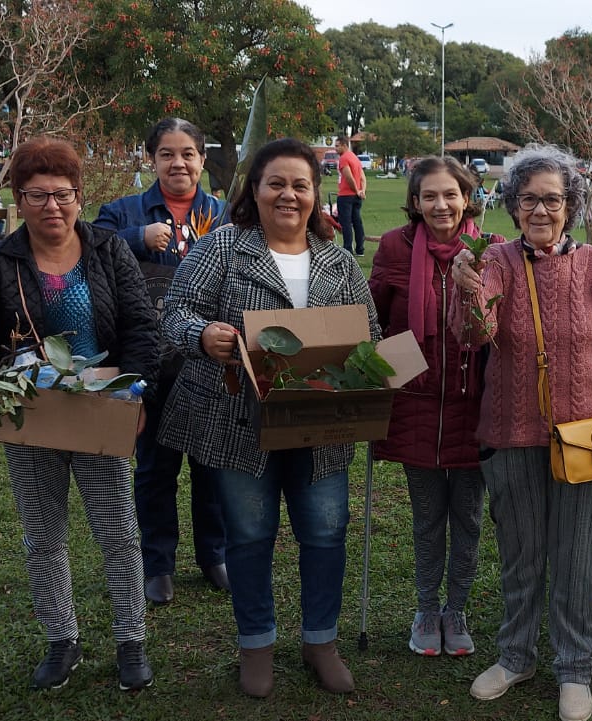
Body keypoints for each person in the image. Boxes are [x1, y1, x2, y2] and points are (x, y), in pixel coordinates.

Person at [0, 136, 158, 693]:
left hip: (100, 409)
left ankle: (130, 638)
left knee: (117, 530)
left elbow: (140, 328)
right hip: (29, 414)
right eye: (37, 195)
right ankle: (62, 638)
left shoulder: (109, 251)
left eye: (62, 195)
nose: (52, 207)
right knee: (43, 533)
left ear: (79, 196)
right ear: (18, 198)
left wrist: (135, 391)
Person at [158, 137, 373, 698]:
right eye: (275, 182)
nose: (288, 194)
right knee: (250, 536)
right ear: (253, 190)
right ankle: (256, 644)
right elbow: (174, 313)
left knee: (326, 534)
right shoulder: (223, 247)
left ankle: (320, 642)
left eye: (300, 185)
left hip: (321, 425)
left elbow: (367, 333)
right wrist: (201, 335)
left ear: (315, 195)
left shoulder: (339, 261)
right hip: (238, 426)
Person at [450, 144, 592, 721]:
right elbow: (472, 336)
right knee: (520, 556)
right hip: (511, 434)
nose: (541, 210)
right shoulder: (493, 260)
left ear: (572, 206)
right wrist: (465, 286)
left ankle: (574, 667)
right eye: (530, 199)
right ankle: (516, 655)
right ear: (513, 206)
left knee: (575, 556)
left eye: (553, 200)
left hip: (591, 435)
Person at [369, 156, 505, 657]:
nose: (441, 204)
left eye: (450, 194)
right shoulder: (394, 247)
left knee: (468, 519)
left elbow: (502, 328)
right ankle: (427, 609)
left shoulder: (492, 250)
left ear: (467, 198)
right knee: (427, 518)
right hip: (416, 405)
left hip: (475, 409)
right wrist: (388, 372)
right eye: (430, 196)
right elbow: (375, 318)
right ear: (416, 201)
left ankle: (458, 610)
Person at [94, 117, 230, 606]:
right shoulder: (123, 212)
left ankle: (214, 556)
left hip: (208, 360)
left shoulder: (224, 214)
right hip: (148, 361)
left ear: (201, 159)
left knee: (210, 466)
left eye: (188, 153)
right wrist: (135, 237)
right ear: (151, 159)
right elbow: (87, 252)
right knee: (154, 467)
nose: (179, 163)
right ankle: (157, 564)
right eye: (167, 154)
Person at [334, 135, 367, 255]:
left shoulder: (344, 158)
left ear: (344, 145)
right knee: (357, 222)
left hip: (345, 195)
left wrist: (356, 190)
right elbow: (363, 177)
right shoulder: (355, 158)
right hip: (356, 197)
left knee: (346, 223)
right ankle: (360, 249)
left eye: (337, 146)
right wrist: (361, 190)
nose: (335, 149)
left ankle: (348, 249)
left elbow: (348, 177)